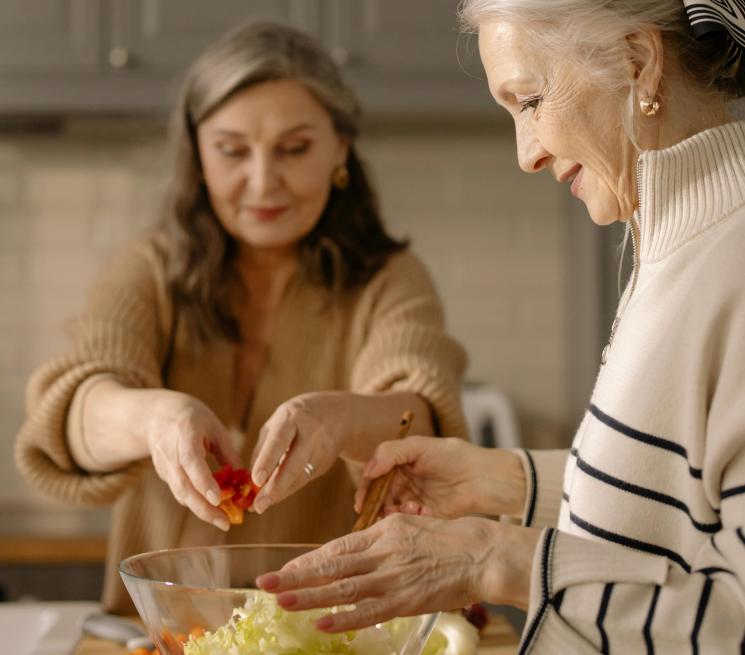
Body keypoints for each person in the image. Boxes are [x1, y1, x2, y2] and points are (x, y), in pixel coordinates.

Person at [257, 1, 745, 651]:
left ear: (640, 62)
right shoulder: (671, 243)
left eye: (530, 99)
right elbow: (678, 519)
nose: (526, 154)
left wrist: (497, 559)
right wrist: (506, 481)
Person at [14, 22, 467, 613]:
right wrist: (153, 418)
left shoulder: (390, 280)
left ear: (340, 149)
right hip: (162, 636)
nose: (262, 181)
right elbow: (73, 417)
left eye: (295, 148)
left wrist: (342, 419)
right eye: (232, 150)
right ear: (198, 153)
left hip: (330, 632)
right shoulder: (148, 268)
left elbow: (423, 417)